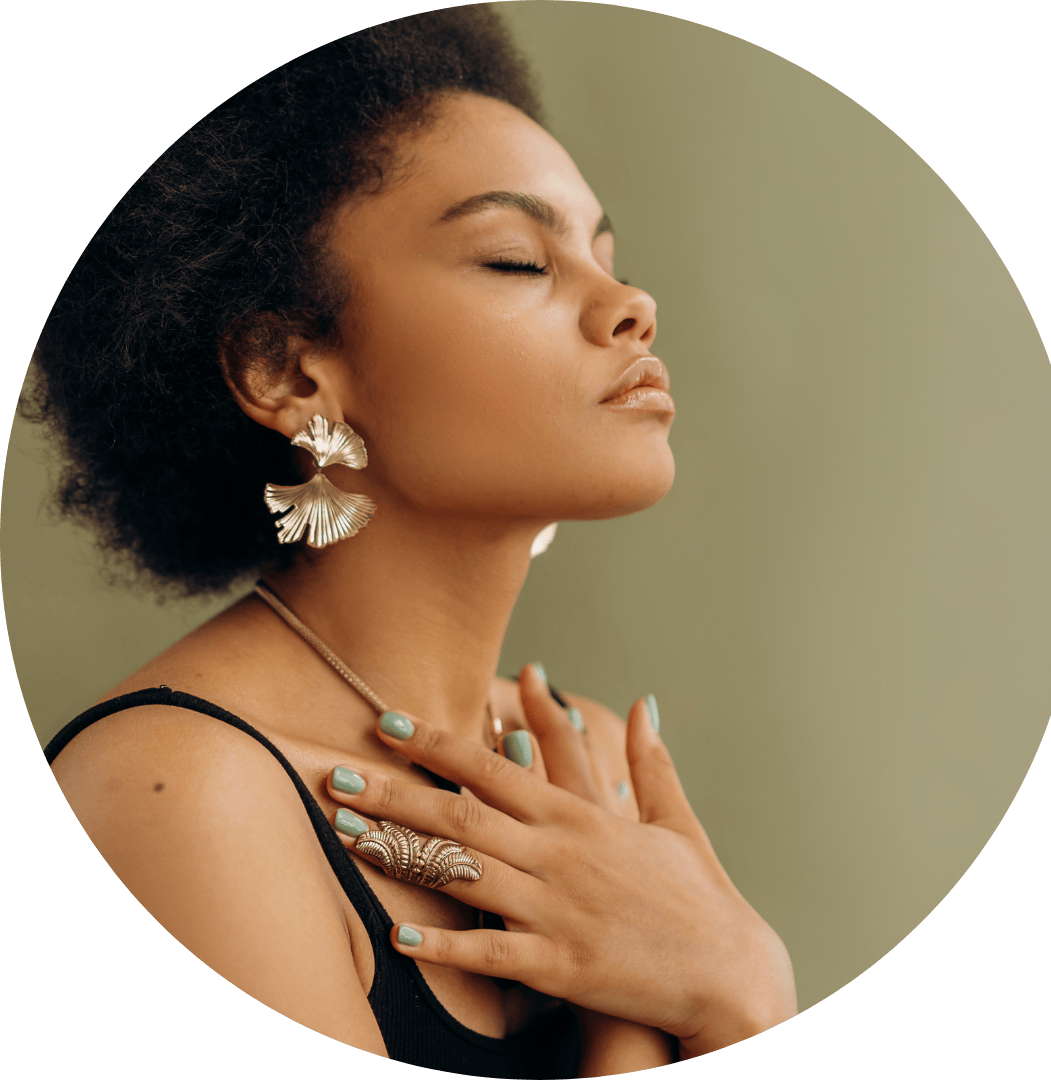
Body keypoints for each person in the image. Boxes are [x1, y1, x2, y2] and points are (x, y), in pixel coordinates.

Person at [30, 7, 796, 1076]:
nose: (631, 306)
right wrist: (695, 997)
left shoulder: (592, 758)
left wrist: (731, 987)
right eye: (519, 261)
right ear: (288, 374)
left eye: (605, 253)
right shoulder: (182, 795)